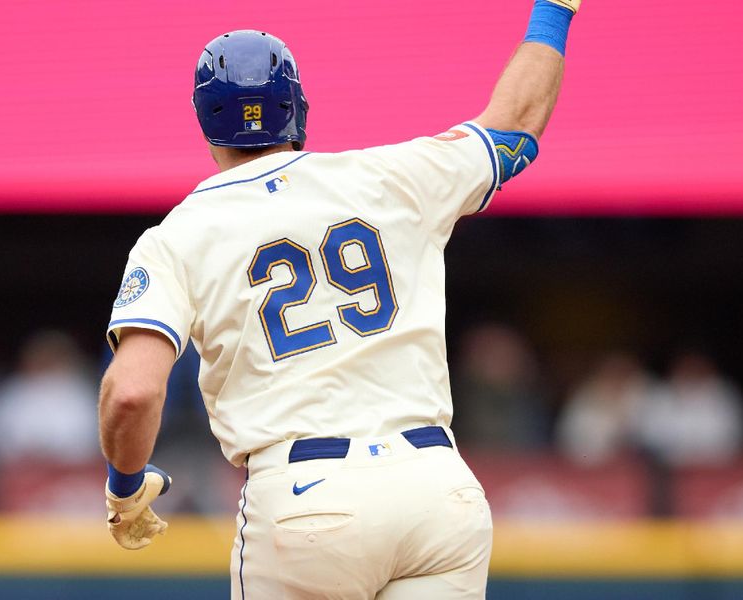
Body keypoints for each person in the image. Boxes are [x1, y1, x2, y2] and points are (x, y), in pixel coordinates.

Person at [99, 1, 582, 597]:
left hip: (306, 499)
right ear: (298, 106)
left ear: (204, 121)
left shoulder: (175, 237)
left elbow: (133, 391)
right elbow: (515, 126)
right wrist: (554, 11)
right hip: (435, 486)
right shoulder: (391, 176)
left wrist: (125, 487)